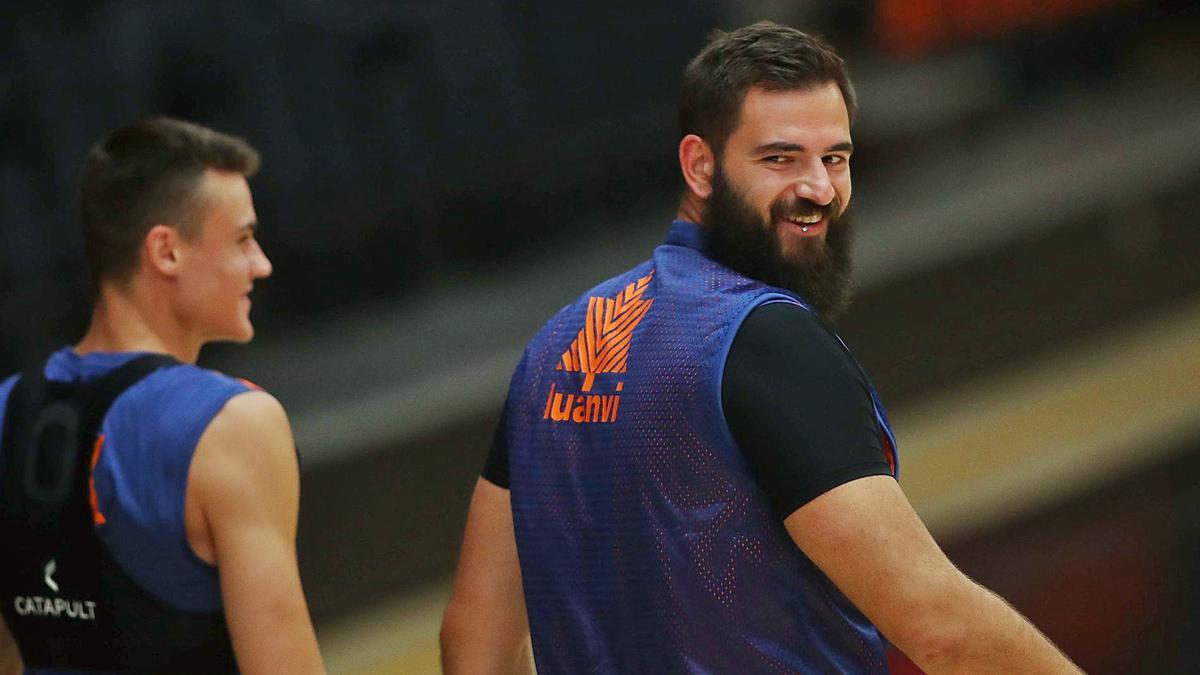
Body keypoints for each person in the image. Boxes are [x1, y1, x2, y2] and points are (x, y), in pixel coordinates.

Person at [441, 22, 1081, 674]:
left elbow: (473, 642)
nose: (820, 189)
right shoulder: (764, 342)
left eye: (835, 158)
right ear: (699, 165)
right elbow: (943, 628)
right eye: (780, 158)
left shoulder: (554, 349)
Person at [0, 117, 325, 674]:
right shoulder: (232, 424)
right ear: (166, 252)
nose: (261, 264)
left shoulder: (7, 412)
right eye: (243, 239)